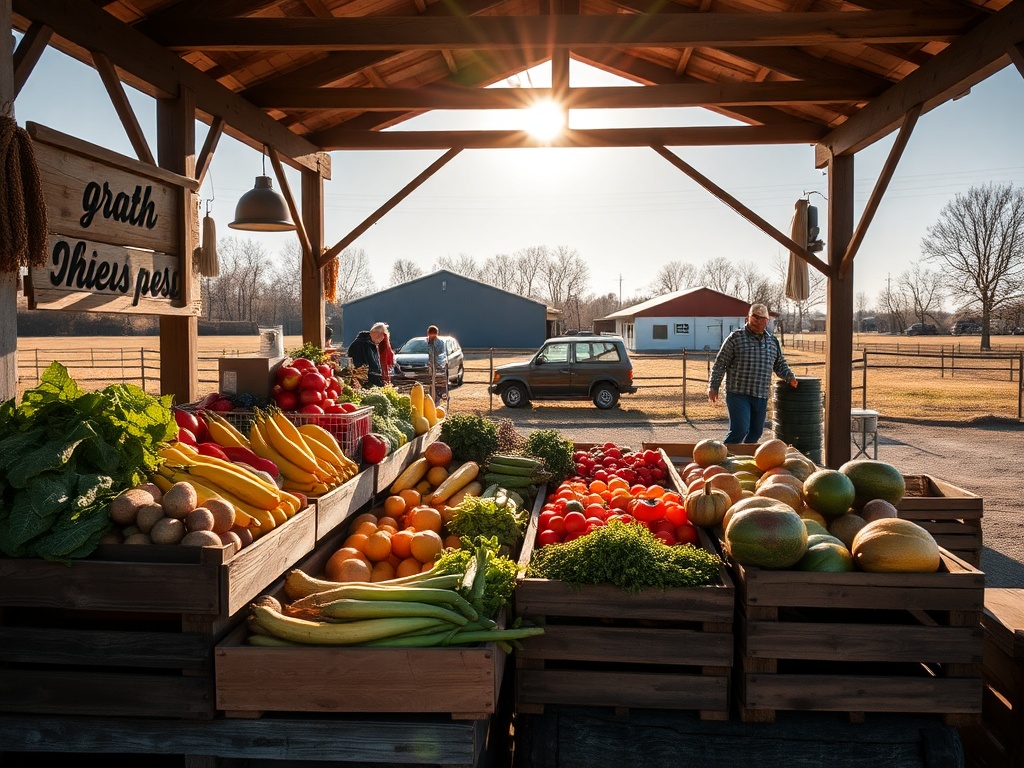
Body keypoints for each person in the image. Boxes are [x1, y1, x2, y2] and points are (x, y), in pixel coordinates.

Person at [707, 303, 798, 444]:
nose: (758, 321)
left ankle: (744, 460)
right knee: (740, 430)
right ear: (747, 318)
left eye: (762, 318)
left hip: (761, 394)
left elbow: (779, 364)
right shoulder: (735, 338)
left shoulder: (772, 341)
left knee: (756, 432)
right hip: (738, 393)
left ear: (767, 320)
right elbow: (720, 363)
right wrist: (713, 386)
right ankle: (722, 458)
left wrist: (789, 376)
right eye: (755, 317)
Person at [346, 323, 387, 387]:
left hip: (374, 384)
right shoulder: (360, 345)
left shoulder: (371, 345)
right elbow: (359, 367)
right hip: (365, 385)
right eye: (382, 335)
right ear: (375, 332)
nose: (382, 338)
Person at [425, 324, 448, 405]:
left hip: (438, 368)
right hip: (428, 368)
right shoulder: (425, 342)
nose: (431, 335)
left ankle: (437, 401)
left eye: (433, 333)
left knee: (439, 386)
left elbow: (441, 355)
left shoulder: (440, 343)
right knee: (429, 386)